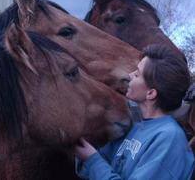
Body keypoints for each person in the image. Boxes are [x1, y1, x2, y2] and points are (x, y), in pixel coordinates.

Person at [74, 44, 195, 180]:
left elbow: (94, 162)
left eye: (137, 74)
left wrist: (92, 159)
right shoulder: (134, 127)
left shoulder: (169, 138)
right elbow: (88, 170)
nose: (130, 75)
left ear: (150, 93)